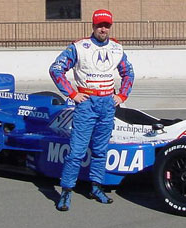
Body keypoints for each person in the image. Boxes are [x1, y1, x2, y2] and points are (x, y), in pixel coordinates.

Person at [49, 9, 135, 211]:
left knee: (100, 149)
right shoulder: (79, 47)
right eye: (99, 25)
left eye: (106, 25)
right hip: (86, 103)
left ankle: (96, 187)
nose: (103, 29)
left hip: (107, 104)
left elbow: (128, 72)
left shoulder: (117, 48)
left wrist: (122, 95)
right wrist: (72, 94)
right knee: (77, 151)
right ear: (93, 26)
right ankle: (66, 192)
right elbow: (56, 69)